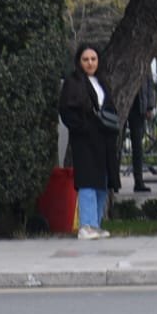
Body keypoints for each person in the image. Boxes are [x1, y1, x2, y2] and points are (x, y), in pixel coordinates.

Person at [57, 43, 120, 240]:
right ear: (79, 62)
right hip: (84, 140)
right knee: (87, 182)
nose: (90, 63)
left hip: (103, 140)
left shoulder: (102, 82)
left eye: (93, 59)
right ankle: (86, 224)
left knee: (102, 182)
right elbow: (67, 110)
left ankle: (96, 223)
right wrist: (83, 128)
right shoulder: (73, 82)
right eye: (86, 59)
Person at [124, 80, 154, 193]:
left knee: (137, 147)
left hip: (138, 107)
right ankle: (113, 182)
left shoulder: (141, 65)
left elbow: (149, 83)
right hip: (122, 104)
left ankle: (139, 181)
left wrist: (150, 106)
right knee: (115, 145)